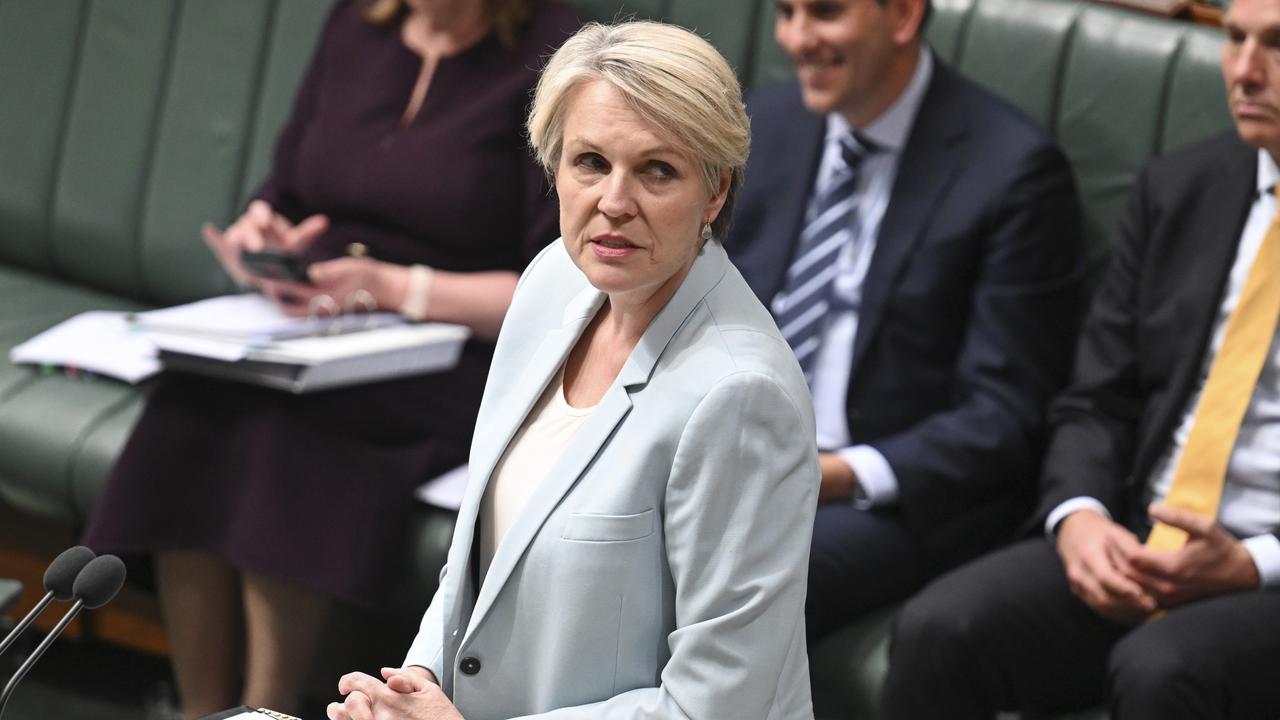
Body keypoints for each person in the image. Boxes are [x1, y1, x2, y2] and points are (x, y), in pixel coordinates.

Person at [82, 0, 578, 716]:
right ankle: (201, 708)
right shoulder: (358, 23)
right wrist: (268, 234)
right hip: (321, 323)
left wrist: (394, 286)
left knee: (295, 432)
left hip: (458, 351)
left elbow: (554, 287)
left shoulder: (551, 52)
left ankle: (267, 708)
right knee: (192, 401)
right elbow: (286, 184)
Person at [326, 20, 820, 720]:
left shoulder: (741, 396)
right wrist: (411, 689)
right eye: (590, 162)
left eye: (658, 170)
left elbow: (718, 706)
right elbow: (475, 561)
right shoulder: (554, 281)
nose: (614, 201)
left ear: (715, 192)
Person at [884, 0, 1280, 715]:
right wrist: (1081, 517)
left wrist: (1253, 563)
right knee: (940, 630)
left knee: (1163, 671)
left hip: (1269, 564)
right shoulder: (1182, 187)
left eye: (1278, 46)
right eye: (1237, 39)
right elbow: (1096, 398)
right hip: (1141, 535)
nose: (1246, 71)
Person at [726, 0, 1085, 640]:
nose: (797, 39)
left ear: (902, 15)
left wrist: (832, 474)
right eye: (785, 12)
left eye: (825, 12)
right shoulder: (766, 122)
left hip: (881, 493)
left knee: (729, 570)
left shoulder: (1012, 170)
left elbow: (1004, 412)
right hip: (732, 448)